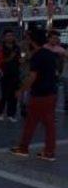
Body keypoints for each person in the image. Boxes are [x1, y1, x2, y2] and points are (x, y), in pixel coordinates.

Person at [11, 30, 58, 161]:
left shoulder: (37, 56)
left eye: (28, 39)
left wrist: (21, 90)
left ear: (32, 41)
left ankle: (24, 148)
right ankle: (49, 152)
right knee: (49, 124)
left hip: (39, 94)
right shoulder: (50, 54)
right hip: (52, 93)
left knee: (31, 122)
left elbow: (32, 76)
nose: (27, 42)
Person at [0, 29, 21, 122]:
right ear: (4, 38)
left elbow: (19, 59)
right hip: (5, 73)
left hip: (16, 73)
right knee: (5, 94)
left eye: (11, 35)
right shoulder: (0, 48)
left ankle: (11, 114)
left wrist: (20, 60)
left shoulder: (17, 47)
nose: (10, 37)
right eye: (8, 36)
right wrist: (10, 57)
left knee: (14, 95)